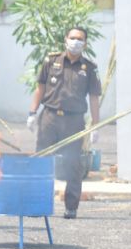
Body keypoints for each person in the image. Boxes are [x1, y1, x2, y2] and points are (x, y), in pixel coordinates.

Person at [27, 27, 101, 220]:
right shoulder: (51, 61)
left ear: (85, 43)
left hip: (74, 121)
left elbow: (94, 98)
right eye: (73, 38)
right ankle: (38, 203)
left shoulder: (90, 68)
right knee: (42, 161)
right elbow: (40, 88)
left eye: (80, 39)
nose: (76, 42)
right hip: (49, 118)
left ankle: (71, 207)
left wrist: (96, 125)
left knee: (73, 164)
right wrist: (32, 112)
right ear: (65, 39)